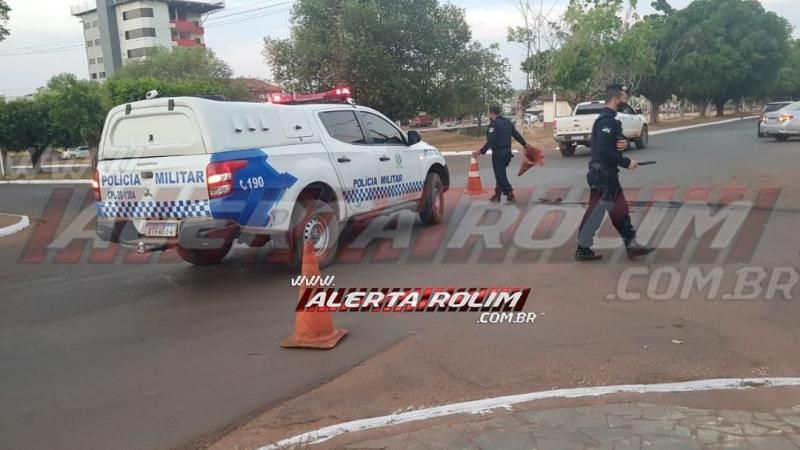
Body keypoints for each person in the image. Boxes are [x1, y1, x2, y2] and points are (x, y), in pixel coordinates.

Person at [576, 85, 655, 262]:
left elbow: (612, 143)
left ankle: (630, 245)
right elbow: (603, 150)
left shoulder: (611, 121)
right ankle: (583, 247)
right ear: (615, 99)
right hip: (602, 175)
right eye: (624, 99)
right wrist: (626, 162)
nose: (625, 103)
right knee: (597, 212)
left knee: (619, 210)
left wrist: (623, 144)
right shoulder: (606, 121)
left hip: (607, 174)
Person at [472, 105, 527, 203]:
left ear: (492, 113)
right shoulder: (507, 122)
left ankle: (509, 193)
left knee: (500, 175)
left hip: (498, 154)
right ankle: (497, 195)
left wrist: (480, 152)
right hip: (507, 154)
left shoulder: (494, 125)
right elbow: (516, 135)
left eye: (488, 112)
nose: (488, 114)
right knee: (500, 174)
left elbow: (491, 142)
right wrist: (525, 144)